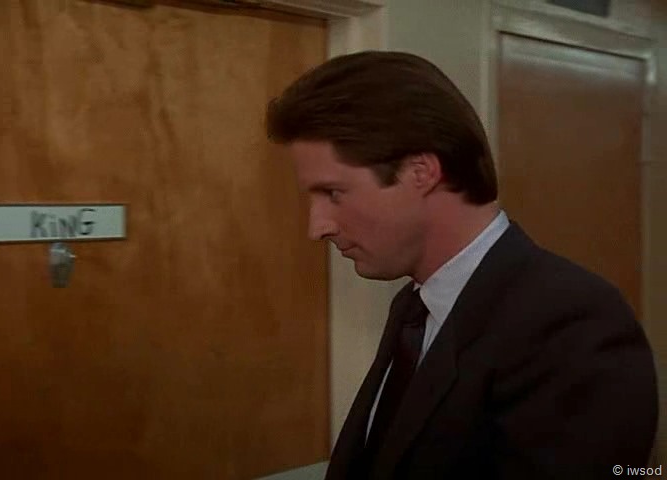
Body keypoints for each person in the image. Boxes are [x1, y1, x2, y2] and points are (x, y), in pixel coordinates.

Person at [264, 51, 659, 479]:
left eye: (333, 194)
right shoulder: (414, 308)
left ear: (420, 172)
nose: (317, 227)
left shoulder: (572, 323)